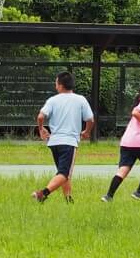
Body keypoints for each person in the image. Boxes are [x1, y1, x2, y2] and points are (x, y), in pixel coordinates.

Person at [33, 70, 95, 203]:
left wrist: (41, 129)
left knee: (64, 173)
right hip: (69, 142)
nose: (55, 86)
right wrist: (86, 131)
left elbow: (40, 116)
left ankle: (68, 199)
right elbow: (90, 119)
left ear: (61, 85)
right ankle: (43, 193)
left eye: (56, 83)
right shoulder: (80, 100)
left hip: (54, 142)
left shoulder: (52, 100)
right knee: (64, 173)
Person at [105, 83, 140, 201]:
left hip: (126, 142)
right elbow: (135, 113)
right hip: (139, 142)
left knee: (123, 169)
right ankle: (139, 192)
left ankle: (109, 195)